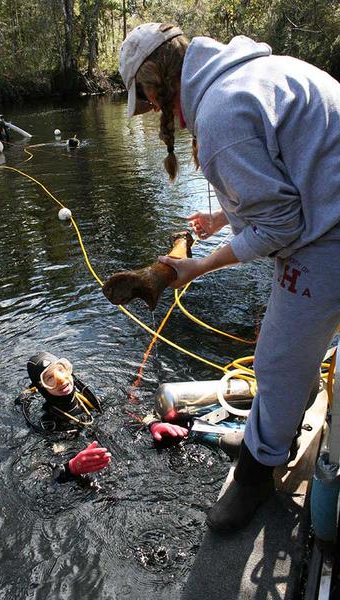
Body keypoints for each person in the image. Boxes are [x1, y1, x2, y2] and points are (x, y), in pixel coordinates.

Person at [118, 23, 340, 532]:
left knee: (276, 356)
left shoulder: (220, 116)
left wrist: (199, 264)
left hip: (331, 237)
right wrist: (221, 221)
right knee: (292, 348)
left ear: (158, 81)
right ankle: (279, 424)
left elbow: (285, 224)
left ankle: (258, 472)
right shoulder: (252, 73)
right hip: (329, 213)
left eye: (148, 99)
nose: (152, 111)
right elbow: (288, 171)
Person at [21, 352, 112, 481]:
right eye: (49, 378)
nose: (61, 379)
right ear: (41, 387)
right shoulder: (48, 423)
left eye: (60, 369)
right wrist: (71, 468)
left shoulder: (91, 398)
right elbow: (39, 471)